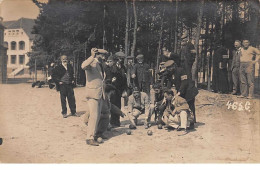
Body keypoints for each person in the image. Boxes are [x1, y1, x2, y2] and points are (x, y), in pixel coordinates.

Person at [81, 48, 108, 146]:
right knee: (94, 116)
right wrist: (92, 56)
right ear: (97, 54)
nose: (104, 57)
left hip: (100, 93)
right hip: (92, 93)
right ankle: (89, 138)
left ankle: (95, 134)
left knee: (98, 116)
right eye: (103, 55)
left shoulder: (101, 65)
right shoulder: (91, 63)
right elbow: (83, 65)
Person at [104, 55, 127, 127]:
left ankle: (116, 122)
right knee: (110, 106)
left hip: (118, 90)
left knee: (118, 105)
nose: (109, 62)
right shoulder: (107, 68)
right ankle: (109, 122)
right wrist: (110, 81)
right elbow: (105, 80)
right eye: (108, 61)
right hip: (110, 89)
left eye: (110, 61)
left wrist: (124, 90)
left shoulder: (121, 68)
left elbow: (124, 79)